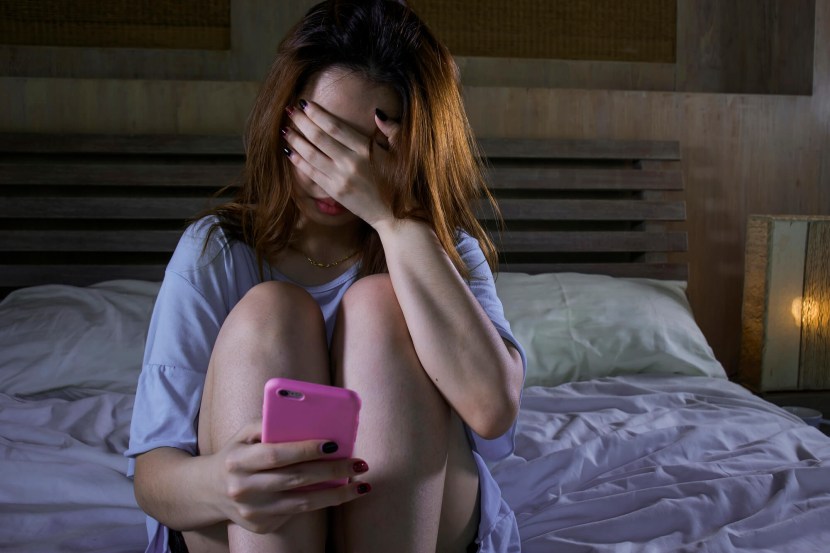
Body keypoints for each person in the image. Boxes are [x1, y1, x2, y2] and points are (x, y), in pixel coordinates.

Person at [125, 0, 526, 552]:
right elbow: (153, 475)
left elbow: (492, 408)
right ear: (284, 123)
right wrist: (221, 484)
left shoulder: (443, 248)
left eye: (372, 147)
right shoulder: (217, 251)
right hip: (254, 528)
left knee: (382, 304)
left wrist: (392, 222)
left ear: (413, 147)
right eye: (323, 139)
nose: (340, 175)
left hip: (416, 526)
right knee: (274, 310)